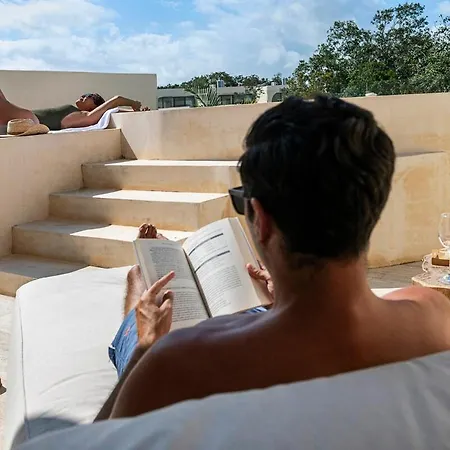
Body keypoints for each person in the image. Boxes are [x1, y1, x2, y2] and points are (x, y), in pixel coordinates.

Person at [96, 95, 450, 421]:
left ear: (262, 221)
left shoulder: (176, 362)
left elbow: (98, 440)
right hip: (290, 323)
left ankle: (139, 291)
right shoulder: (432, 314)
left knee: (139, 288)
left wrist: (145, 349)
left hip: (201, 353)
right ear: (374, 206)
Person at [0, 89, 146, 131]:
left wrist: (130, 103)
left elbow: (113, 106)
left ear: (95, 106)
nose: (83, 96)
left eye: (89, 96)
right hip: (21, 120)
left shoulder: (84, 116)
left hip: (28, 120)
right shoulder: (74, 111)